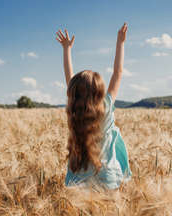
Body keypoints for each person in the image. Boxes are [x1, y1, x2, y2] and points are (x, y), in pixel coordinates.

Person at [55, 23, 132, 191]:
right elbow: (118, 73)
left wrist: (66, 49)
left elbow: (69, 78)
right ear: (99, 92)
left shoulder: (75, 113)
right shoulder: (106, 106)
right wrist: (121, 43)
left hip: (78, 179)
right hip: (108, 177)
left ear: (73, 95)